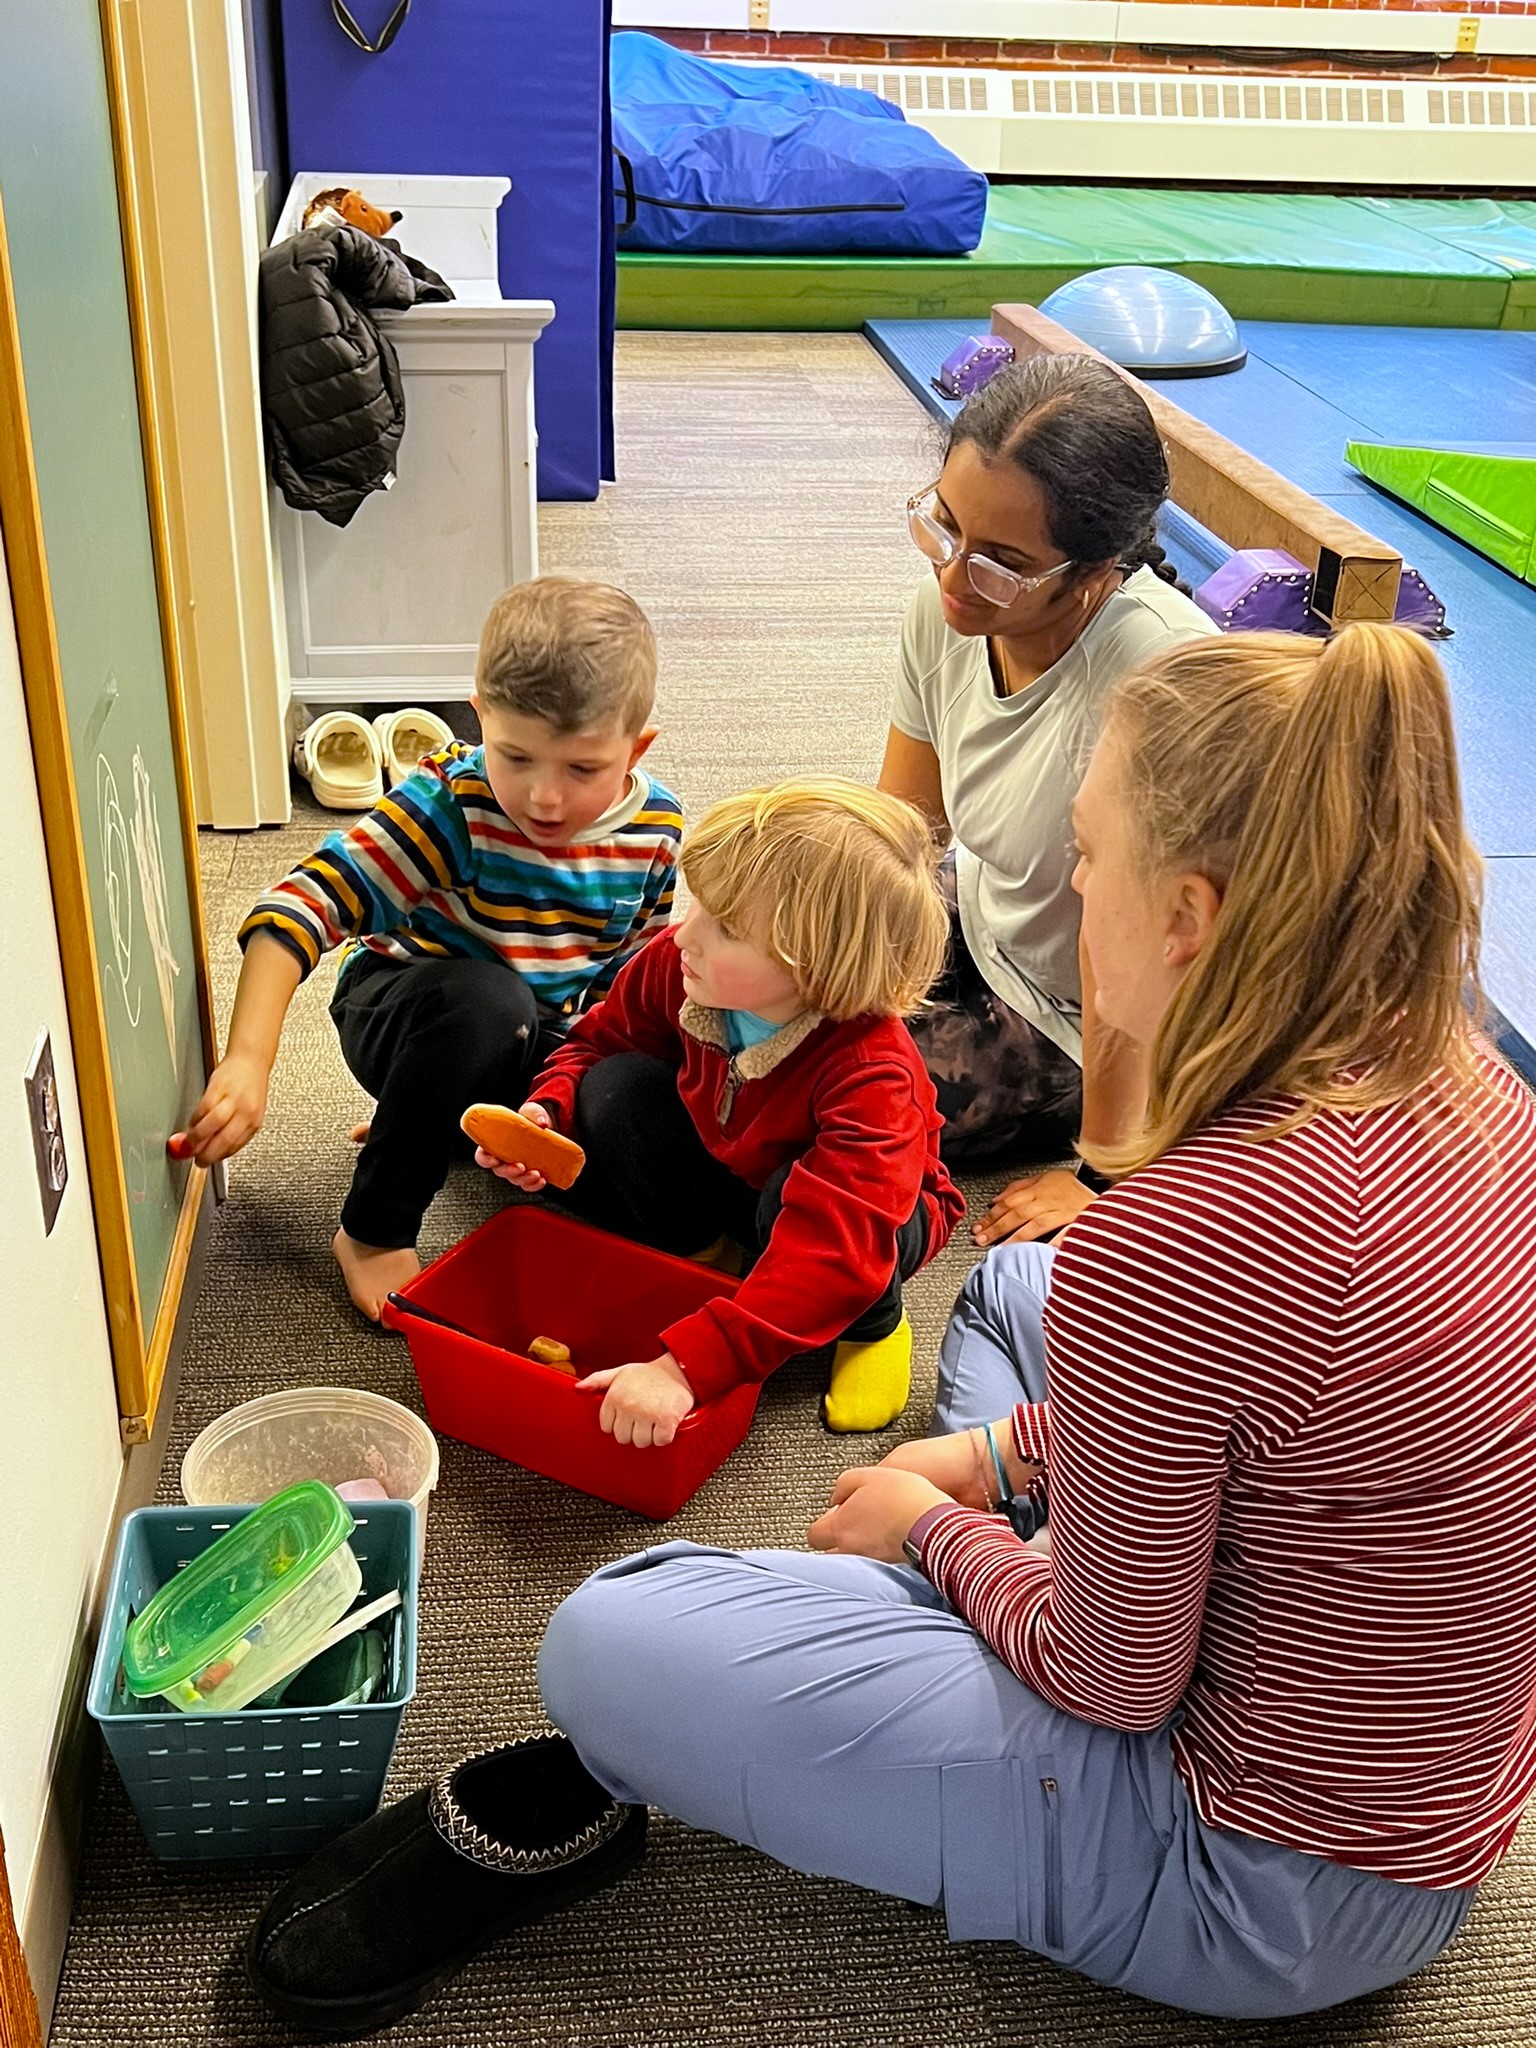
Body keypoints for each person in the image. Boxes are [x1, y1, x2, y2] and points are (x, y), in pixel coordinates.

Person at [242, 621, 1535, 2035]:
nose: (1059, 882)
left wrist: (934, 1523)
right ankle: (1056, 1542)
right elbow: (1286, 1397)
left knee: (610, 1638)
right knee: (1017, 1287)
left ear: (1190, 915)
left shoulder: (1176, 1240)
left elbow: (1112, 1681)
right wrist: (990, 1465)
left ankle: (891, 1625)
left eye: (1083, 852)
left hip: (1255, 1875)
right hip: (1413, 1777)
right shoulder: (1475, 1082)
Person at [173, 576, 683, 1320]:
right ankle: (374, 1228)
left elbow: (629, 991)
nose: (544, 797)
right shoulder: (453, 802)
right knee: (487, 1003)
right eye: (515, 758)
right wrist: (249, 1060)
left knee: (629, 1108)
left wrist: (556, 1103)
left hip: (538, 1032)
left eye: (582, 770)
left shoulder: (656, 829)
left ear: (636, 749)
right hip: (409, 1002)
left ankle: (440, 1117)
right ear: (479, 723)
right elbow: (299, 903)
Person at [478, 779, 963, 1436]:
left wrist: (688, 1367)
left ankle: (875, 1324)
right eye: (698, 906)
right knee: (614, 1090)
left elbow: (835, 1251)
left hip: (861, 1220)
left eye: (726, 926)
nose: (686, 936)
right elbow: (597, 1043)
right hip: (733, 1158)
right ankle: (713, 1255)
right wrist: (547, 1112)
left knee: (822, 1231)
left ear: (815, 968)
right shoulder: (676, 967)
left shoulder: (872, 1072)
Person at [879, 352, 1213, 1252]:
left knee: (842, 1112)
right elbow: (905, 834)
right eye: (945, 527)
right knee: (747, 979)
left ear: (1096, 569)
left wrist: (1105, 1171)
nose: (953, 579)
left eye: (1002, 562)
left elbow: (1134, 959)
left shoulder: (1158, 679)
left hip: (1093, 1015)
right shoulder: (947, 610)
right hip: (992, 916)